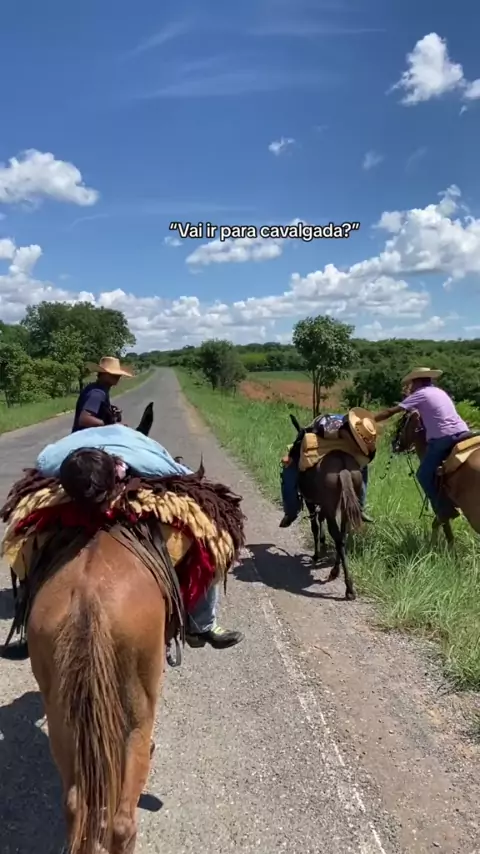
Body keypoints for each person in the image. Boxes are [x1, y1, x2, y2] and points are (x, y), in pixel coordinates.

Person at [37, 426, 244, 650]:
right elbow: (40, 466)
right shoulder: (49, 463)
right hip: (77, 450)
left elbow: (191, 478)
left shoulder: (150, 464)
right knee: (25, 537)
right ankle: (30, 623)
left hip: (130, 447)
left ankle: (201, 624)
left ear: (117, 476)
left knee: (206, 535)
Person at [374, 367, 470, 520]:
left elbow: (391, 412)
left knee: (423, 475)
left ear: (418, 382)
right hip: (464, 432)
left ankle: (444, 509)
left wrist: (368, 419)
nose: (411, 387)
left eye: (412, 383)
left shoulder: (420, 394)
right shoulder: (439, 392)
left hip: (442, 437)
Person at [279, 410, 376, 528]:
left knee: (363, 465)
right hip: (319, 435)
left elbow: (368, 456)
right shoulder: (326, 425)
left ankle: (290, 512)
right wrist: (291, 455)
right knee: (290, 468)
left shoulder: (358, 428)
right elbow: (304, 435)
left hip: (341, 439)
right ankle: (291, 511)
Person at [72, 356, 134, 433]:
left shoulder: (96, 388)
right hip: (86, 437)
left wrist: (109, 412)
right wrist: (111, 425)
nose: (118, 377)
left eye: (118, 374)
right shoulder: (97, 393)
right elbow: (84, 419)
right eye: (113, 374)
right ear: (103, 374)